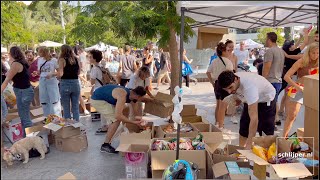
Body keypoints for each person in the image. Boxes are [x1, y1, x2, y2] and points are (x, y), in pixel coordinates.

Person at [217, 70, 276, 149]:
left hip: (266, 99)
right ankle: (241, 150)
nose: (229, 91)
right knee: (244, 126)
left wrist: (249, 143)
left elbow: (254, 119)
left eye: (230, 88)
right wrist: (237, 98)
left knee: (265, 131)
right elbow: (235, 93)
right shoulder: (231, 80)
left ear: (236, 79)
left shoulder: (249, 87)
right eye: (226, 89)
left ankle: (266, 153)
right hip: (249, 97)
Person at [90, 85, 147, 153]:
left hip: (102, 97)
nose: (139, 101)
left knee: (125, 109)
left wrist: (139, 121)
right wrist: (133, 122)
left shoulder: (131, 94)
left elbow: (135, 112)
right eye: (140, 99)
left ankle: (122, 132)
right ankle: (105, 145)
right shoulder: (123, 95)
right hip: (98, 100)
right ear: (137, 96)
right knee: (116, 120)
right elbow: (118, 116)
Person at [283, 42, 319, 137]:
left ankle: (312, 138)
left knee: (313, 117)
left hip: (314, 90)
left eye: (318, 53)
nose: (315, 55)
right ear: (309, 52)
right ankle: (284, 137)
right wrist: (297, 87)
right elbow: (286, 77)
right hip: (299, 88)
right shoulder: (302, 61)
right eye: (313, 53)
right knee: (292, 115)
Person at [1, 46, 34, 137]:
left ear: (12, 54)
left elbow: (7, 80)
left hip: (23, 92)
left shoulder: (15, 64)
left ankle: (31, 142)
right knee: (24, 117)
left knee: (25, 118)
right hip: (25, 91)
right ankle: (26, 139)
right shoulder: (22, 62)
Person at [278, 29, 309, 120]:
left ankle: (281, 111)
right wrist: (306, 34)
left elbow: (296, 45)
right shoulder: (294, 52)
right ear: (289, 47)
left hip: (286, 76)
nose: (294, 45)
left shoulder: (286, 53)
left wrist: (300, 38)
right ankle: (287, 114)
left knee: (286, 95)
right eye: (292, 45)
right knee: (290, 96)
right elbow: (306, 42)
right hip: (292, 77)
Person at [206, 42, 234, 128]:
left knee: (218, 104)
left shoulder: (214, 61)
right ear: (223, 51)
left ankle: (216, 122)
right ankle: (220, 125)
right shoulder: (228, 62)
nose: (229, 52)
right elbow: (231, 74)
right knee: (223, 106)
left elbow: (207, 72)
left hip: (217, 83)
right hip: (225, 84)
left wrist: (212, 83)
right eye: (227, 50)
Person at [262, 32, 285, 128]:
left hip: (270, 81)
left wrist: (262, 80)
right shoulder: (281, 51)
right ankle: (276, 119)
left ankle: (271, 124)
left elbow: (267, 67)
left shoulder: (270, 51)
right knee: (274, 101)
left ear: (269, 39)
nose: (265, 41)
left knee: (269, 104)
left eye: (265, 38)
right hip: (278, 80)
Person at [34, 46, 62, 117]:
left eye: (39, 51)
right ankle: (47, 117)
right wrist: (36, 73)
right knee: (44, 100)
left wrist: (52, 74)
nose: (38, 53)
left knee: (54, 99)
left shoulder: (53, 60)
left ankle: (57, 117)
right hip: (42, 81)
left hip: (51, 81)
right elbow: (40, 71)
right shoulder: (39, 60)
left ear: (43, 52)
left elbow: (60, 72)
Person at [58, 45, 81, 121]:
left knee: (66, 107)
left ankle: (69, 128)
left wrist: (53, 75)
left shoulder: (62, 60)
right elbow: (78, 72)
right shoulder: (76, 59)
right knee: (75, 107)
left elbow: (61, 73)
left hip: (65, 83)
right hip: (75, 83)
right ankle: (77, 125)